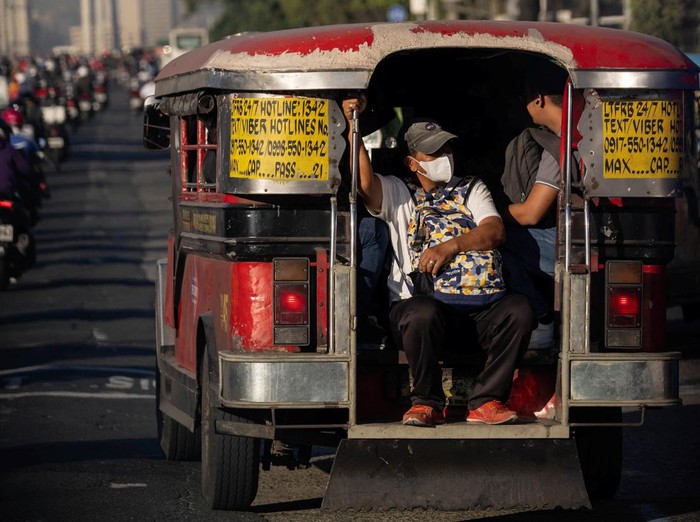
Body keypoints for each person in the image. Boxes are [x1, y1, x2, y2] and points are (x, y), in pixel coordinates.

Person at [342, 96, 533, 427]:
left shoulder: (473, 189)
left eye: (446, 149)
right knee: (421, 312)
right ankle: (425, 401)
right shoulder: (397, 192)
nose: (444, 157)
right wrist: (353, 128)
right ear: (412, 163)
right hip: (420, 310)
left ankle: (487, 400)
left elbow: (494, 230)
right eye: (433, 153)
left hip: (477, 305)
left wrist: (451, 247)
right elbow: (364, 183)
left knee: (519, 311)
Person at [498, 61, 570, 350]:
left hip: (564, 247)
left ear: (538, 99)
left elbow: (531, 213)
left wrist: (485, 216)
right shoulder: (579, 134)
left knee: (494, 242)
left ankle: (542, 317)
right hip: (584, 240)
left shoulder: (557, 147)